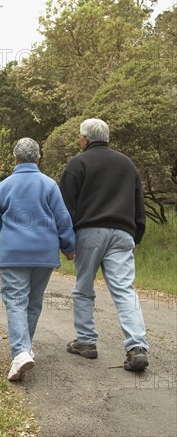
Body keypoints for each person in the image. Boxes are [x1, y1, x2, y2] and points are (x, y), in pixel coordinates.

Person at [59, 118, 149, 371]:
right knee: (124, 290)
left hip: (89, 234)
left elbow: (67, 208)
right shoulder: (127, 164)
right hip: (122, 234)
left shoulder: (77, 164)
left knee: (83, 287)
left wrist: (67, 242)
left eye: (80, 138)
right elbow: (138, 204)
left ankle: (86, 342)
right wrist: (136, 236)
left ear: (85, 139)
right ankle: (137, 347)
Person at [0, 137, 76, 381]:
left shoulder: (4, 186)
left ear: (14, 159)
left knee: (15, 301)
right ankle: (24, 349)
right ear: (38, 158)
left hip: (13, 255)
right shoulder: (49, 185)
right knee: (33, 302)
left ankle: (21, 352)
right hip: (43, 256)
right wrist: (69, 247)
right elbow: (63, 218)